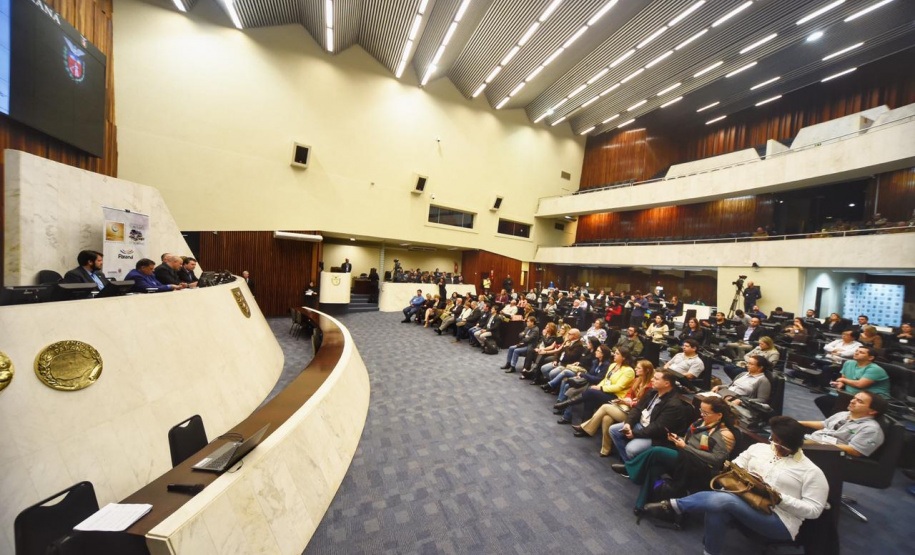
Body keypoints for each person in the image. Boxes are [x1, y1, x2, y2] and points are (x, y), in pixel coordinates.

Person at [643, 416, 829, 555]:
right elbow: (736, 465)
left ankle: (673, 506)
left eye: (782, 444)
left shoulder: (811, 472)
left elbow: (814, 511)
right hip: (743, 501)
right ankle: (710, 552)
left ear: (795, 445)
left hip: (779, 520)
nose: (775, 446)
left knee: (724, 501)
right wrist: (749, 478)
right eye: (774, 440)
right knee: (718, 507)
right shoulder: (760, 449)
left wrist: (778, 497)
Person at [611, 396, 736, 512]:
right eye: (701, 411)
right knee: (654, 467)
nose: (702, 415)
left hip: (701, 467)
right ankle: (641, 505)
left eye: (706, 413)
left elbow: (717, 460)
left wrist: (685, 447)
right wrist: (678, 439)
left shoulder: (725, 434)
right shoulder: (700, 422)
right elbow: (688, 442)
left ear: (719, 415)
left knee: (657, 451)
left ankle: (629, 467)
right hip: (685, 457)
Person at [608, 369, 695, 463]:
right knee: (613, 430)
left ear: (666, 384)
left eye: (656, 379)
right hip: (642, 425)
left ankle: (635, 468)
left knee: (631, 449)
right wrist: (628, 423)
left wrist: (635, 434)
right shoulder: (652, 392)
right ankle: (630, 464)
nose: (652, 380)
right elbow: (637, 409)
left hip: (657, 436)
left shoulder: (673, 404)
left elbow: (658, 427)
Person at [572, 360, 654, 456]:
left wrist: (629, 402)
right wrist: (626, 400)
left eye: (639, 368)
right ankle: (605, 449)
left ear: (647, 370)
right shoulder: (637, 380)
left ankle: (585, 427)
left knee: (605, 407)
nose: (636, 369)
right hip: (626, 408)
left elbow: (643, 405)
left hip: (634, 415)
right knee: (607, 418)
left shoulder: (651, 387)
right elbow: (628, 394)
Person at [801, 391, 887, 457]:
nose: (852, 401)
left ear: (872, 411)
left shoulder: (871, 429)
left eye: (859, 401)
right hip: (813, 440)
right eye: (854, 398)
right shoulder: (844, 414)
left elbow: (855, 451)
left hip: (826, 452)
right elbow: (825, 424)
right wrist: (798, 422)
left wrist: (817, 444)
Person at [814, 346, 890, 416]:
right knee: (822, 401)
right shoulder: (848, 363)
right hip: (849, 395)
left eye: (861, 352)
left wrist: (842, 380)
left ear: (870, 357)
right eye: (856, 351)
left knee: (832, 404)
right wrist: (840, 383)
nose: (856, 353)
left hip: (871, 400)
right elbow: (844, 379)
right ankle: (835, 423)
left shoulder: (875, 369)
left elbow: (860, 384)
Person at [554, 344, 620, 424]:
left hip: (596, 385)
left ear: (603, 354)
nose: (596, 352)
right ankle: (561, 406)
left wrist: (583, 375)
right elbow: (591, 373)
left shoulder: (606, 365)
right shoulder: (596, 362)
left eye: (598, 351)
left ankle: (566, 416)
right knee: (567, 384)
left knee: (573, 391)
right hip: (588, 381)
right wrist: (583, 376)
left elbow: (598, 379)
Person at [572, 347, 635, 422]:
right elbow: (605, 379)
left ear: (624, 357)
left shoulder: (628, 371)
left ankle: (568, 403)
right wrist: (597, 386)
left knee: (590, 391)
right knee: (590, 397)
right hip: (606, 392)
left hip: (616, 396)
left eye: (617, 354)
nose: (614, 355)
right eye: (615, 353)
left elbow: (619, 387)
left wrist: (600, 388)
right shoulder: (613, 365)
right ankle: (584, 423)